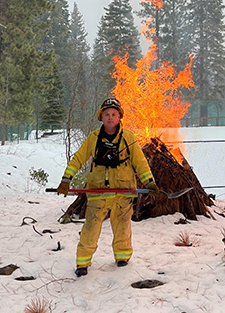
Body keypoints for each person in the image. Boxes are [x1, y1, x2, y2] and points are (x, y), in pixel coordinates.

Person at [56, 97, 159, 277]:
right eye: (106, 114)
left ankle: (122, 257)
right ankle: (82, 263)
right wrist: (66, 179)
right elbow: (79, 158)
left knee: (122, 227)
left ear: (119, 117)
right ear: (101, 117)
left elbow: (140, 163)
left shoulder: (129, 138)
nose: (110, 117)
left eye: (114, 114)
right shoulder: (94, 138)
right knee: (90, 228)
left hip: (123, 192)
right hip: (98, 192)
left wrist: (149, 182)